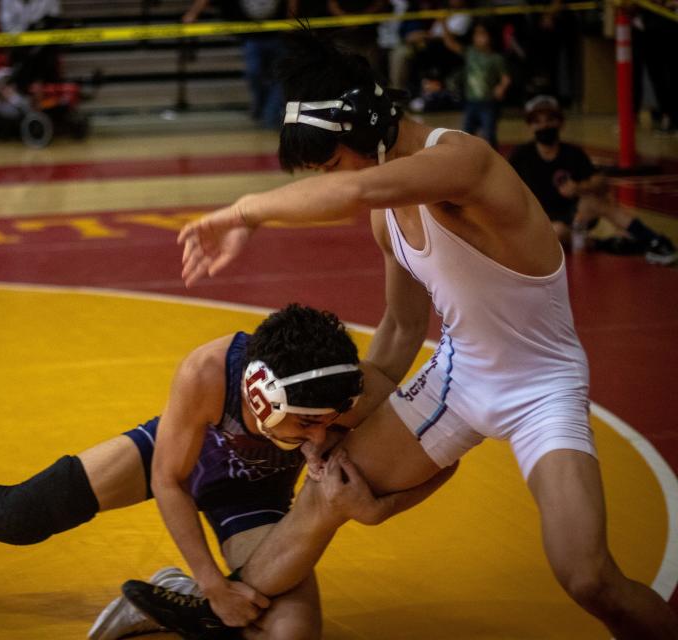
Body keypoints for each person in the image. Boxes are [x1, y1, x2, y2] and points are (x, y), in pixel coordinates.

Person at [122, 28, 678, 640]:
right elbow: (401, 327)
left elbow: (354, 188)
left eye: (329, 162)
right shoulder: (387, 219)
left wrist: (243, 211)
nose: (329, 180)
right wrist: (333, 419)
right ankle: (221, 607)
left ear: (364, 128)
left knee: (588, 576)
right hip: (457, 374)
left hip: (541, 385)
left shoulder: (462, 161)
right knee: (327, 487)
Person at [0, 304, 453, 639]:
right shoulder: (207, 370)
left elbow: (439, 456)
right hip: (177, 457)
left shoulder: (357, 392)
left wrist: (380, 509)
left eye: (329, 424)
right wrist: (214, 580)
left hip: (256, 495)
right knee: (21, 515)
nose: (321, 440)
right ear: (262, 394)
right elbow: (170, 481)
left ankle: (173, 600)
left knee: (291, 636)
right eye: (307, 427)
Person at [509, 95, 676, 265]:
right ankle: (602, 244)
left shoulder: (572, 153)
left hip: (574, 216)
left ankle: (653, 239)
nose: (544, 126)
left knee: (596, 201)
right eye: (538, 121)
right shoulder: (521, 155)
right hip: (542, 221)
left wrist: (580, 187)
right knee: (556, 232)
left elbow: (600, 182)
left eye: (550, 119)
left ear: (560, 123)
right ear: (530, 126)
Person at [183, 0, 290, 129]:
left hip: (278, 35)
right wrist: (193, 12)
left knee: (280, 77)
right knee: (253, 73)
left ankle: (270, 112)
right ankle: (262, 105)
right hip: (252, 36)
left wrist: (291, 19)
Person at [441, 19, 510, 149]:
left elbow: (506, 78)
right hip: (471, 103)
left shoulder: (496, 58)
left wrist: (501, 88)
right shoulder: (470, 53)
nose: (478, 38)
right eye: (476, 34)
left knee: (489, 134)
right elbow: (450, 43)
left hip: (488, 103)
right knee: (466, 134)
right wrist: (443, 24)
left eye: (482, 34)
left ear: (490, 36)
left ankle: (492, 159)